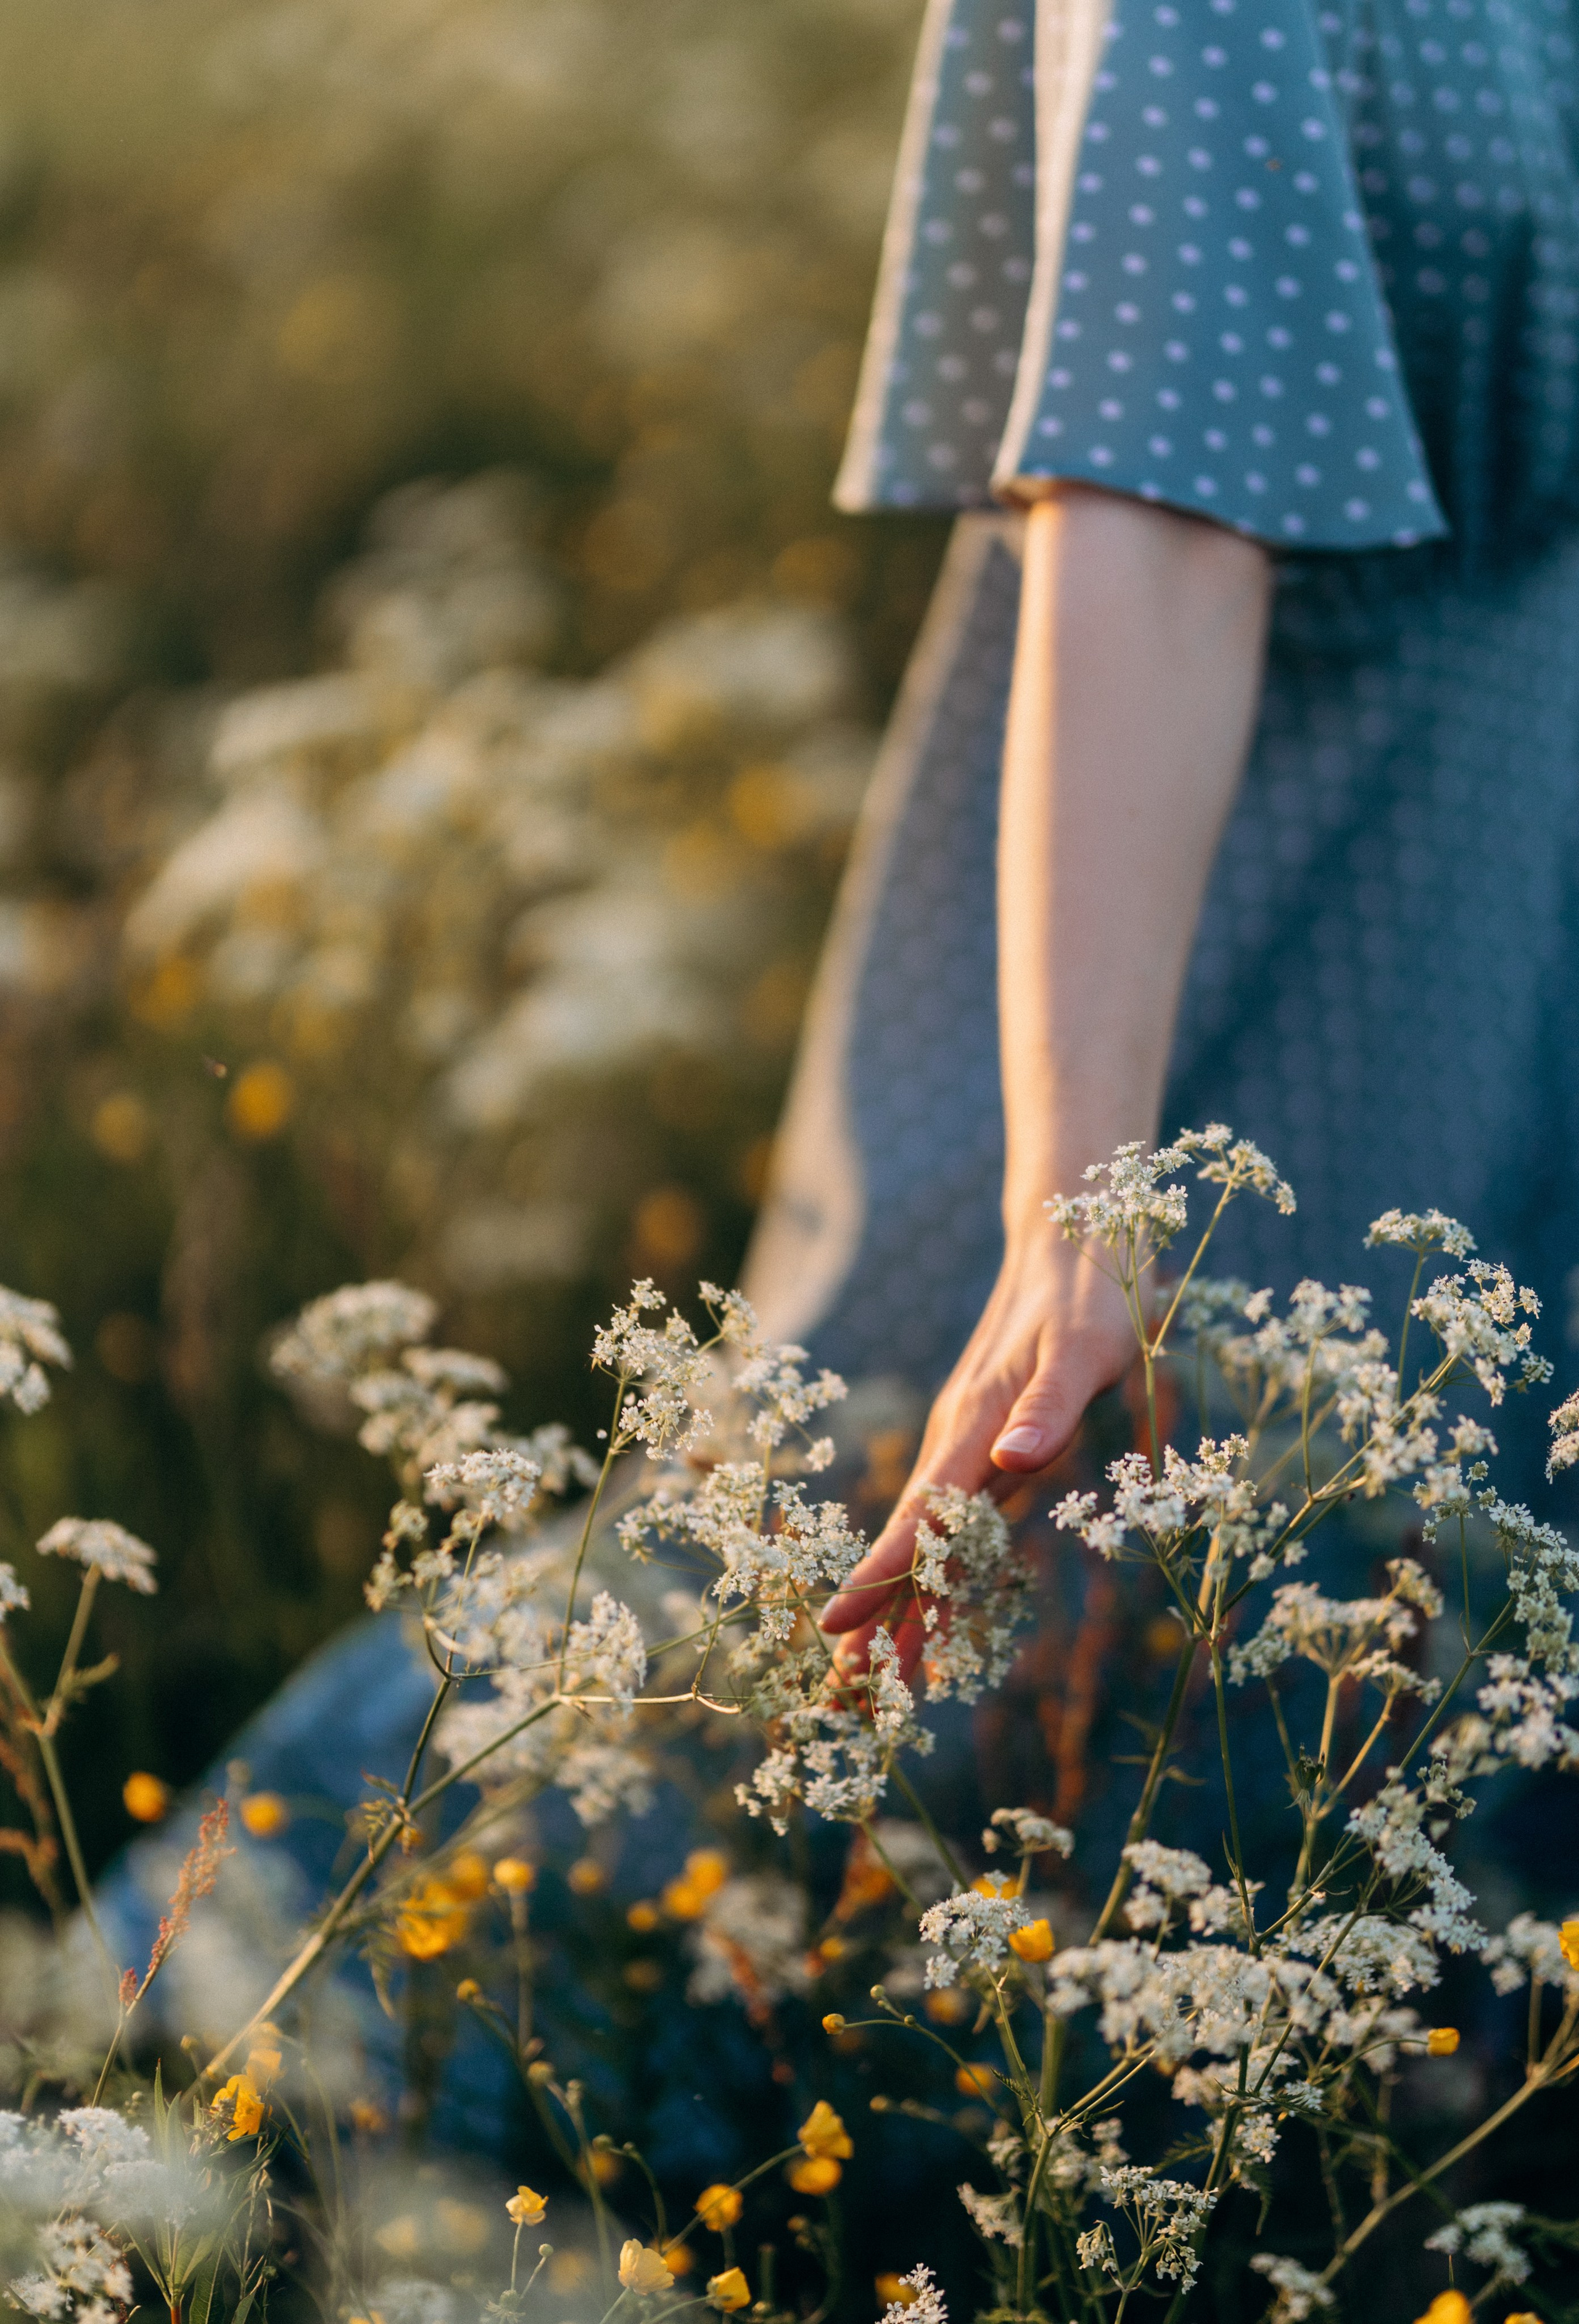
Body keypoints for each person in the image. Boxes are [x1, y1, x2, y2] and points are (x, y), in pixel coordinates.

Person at [738, 0, 1579, 1675]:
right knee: (929, 1708)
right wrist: (1087, 1211)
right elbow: (1165, 515)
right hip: (1231, 929)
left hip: (1503, 904)